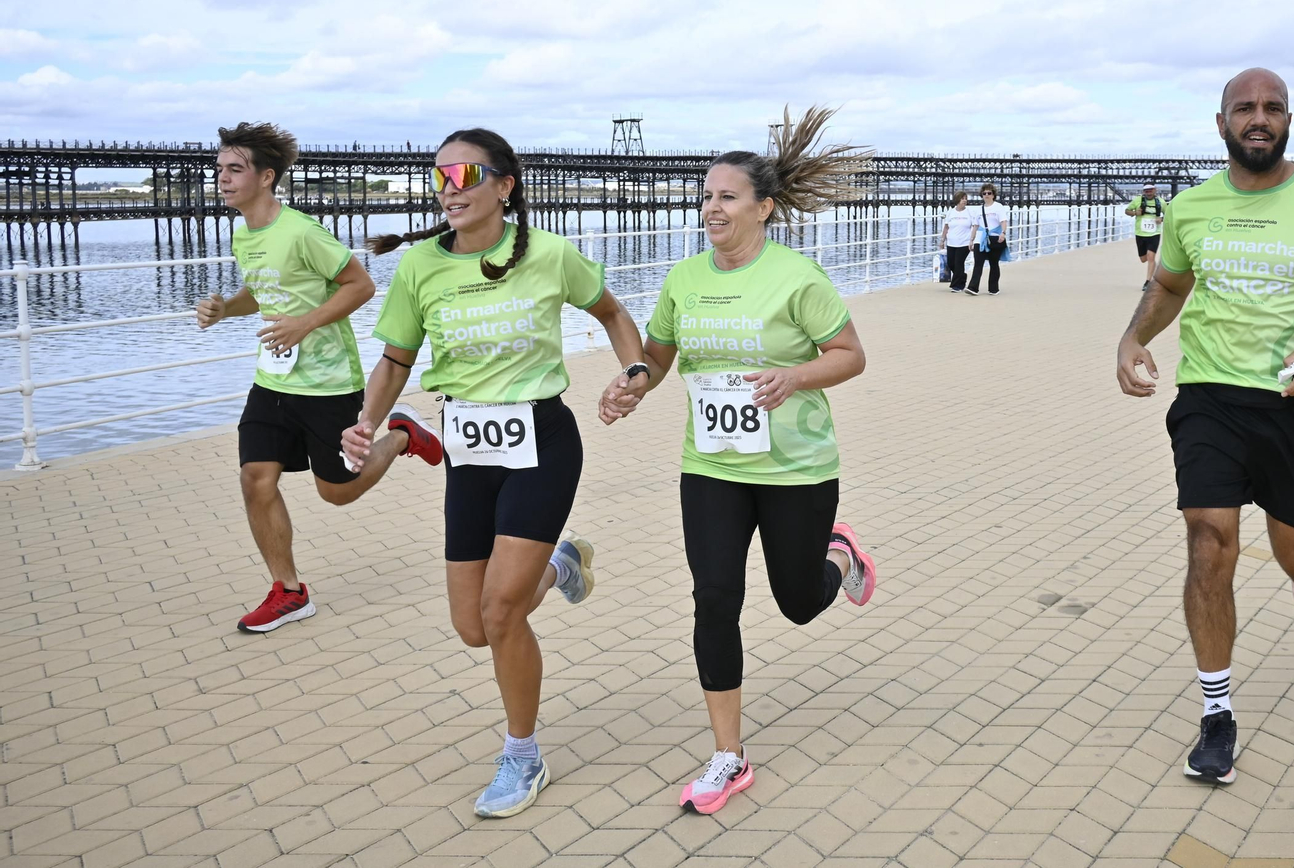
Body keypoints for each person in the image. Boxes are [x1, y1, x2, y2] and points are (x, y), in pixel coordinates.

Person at [342, 127, 652, 819]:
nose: (448, 190)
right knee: (472, 625)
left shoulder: (549, 255)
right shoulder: (422, 266)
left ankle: (523, 756)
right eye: (439, 178)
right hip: (469, 452)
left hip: (541, 439)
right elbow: (395, 359)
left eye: (464, 176)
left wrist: (634, 372)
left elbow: (612, 312)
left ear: (504, 186)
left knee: (502, 611)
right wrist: (366, 421)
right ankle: (562, 565)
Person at [1115, 68, 1294, 785]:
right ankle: (1217, 713)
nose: (1259, 117)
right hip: (1210, 397)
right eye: (1245, 108)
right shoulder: (1190, 207)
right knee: (1210, 538)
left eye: (1272, 107)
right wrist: (1131, 339)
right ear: (1221, 124)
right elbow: (1170, 285)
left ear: (1288, 122)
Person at [617, 105, 878, 815]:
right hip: (712, 467)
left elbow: (851, 355)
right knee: (714, 600)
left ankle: (841, 558)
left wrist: (794, 376)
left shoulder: (797, 278)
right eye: (705, 196)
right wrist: (634, 383)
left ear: (764, 208)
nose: (711, 208)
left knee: (797, 603)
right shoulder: (684, 279)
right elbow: (661, 352)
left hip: (796, 468)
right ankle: (728, 755)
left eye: (726, 196)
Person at [196, 122, 442, 634]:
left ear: (266, 177)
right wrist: (226, 309)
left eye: (234, 169)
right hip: (274, 381)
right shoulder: (245, 232)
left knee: (337, 492)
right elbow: (264, 295)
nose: (222, 178)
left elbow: (361, 284)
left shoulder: (303, 232)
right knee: (254, 478)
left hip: (328, 382)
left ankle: (400, 435)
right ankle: (288, 591)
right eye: (219, 168)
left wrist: (305, 324)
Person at [964, 182, 1009, 295]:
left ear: (993, 195)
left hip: (995, 238)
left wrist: (1003, 233)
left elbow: (1003, 221)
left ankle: (993, 289)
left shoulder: (998, 207)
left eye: (989, 193)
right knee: (978, 263)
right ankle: (973, 287)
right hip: (980, 239)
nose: (987, 195)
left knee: (994, 263)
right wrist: (971, 240)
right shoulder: (979, 210)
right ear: (982, 195)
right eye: (984, 193)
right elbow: (975, 226)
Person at [939, 190, 979, 293]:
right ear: (957, 200)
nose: (964, 201)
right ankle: (962, 276)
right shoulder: (951, 212)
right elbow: (946, 227)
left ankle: (957, 286)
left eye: (966, 199)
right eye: (962, 199)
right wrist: (942, 240)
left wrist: (971, 240)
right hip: (951, 242)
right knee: (951, 263)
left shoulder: (970, 212)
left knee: (958, 263)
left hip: (964, 242)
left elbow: (975, 226)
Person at [1126, 183, 1164, 288]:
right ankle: (1153, 266)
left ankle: (1148, 281)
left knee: (1151, 257)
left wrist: (1161, 219)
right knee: (1143, 259)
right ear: (1143, 191)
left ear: (1155, 190)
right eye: (1146, 191)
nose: (1148, 192)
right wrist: (1134, 213)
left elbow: (1169, 214)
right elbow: (1127, 211)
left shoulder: (1161, 202)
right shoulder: (1137, 200)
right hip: (1140, 233)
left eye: (1150, 190)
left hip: (1154, 233)